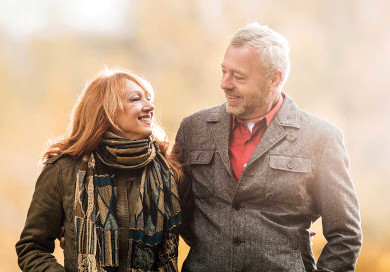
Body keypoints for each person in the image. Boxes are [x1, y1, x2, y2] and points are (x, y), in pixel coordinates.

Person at [175, 23, 363, 272]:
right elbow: (180, 214)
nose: (224, 83)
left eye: (238, 76)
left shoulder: (322, 137)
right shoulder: (193, 128)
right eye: (224, 71)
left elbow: (346, 236)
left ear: (274, 79)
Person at [16, 68, 183, 272]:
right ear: (105, 110)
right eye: (136, 99)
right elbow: (32, 248)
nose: (150, 106)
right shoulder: (64, 170)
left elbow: (203, 231)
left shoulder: (168, 171)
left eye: (148, 98)